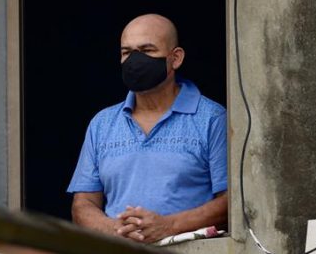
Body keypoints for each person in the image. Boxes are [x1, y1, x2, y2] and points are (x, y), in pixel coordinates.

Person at [67, 14, 227, 244]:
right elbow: (83, 205)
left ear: (176, 58)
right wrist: (115, 229)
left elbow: (231, 203)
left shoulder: (212, 118)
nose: (135, 60)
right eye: (127, 52)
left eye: (147, 50)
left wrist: (168, 226)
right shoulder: (102, 124)